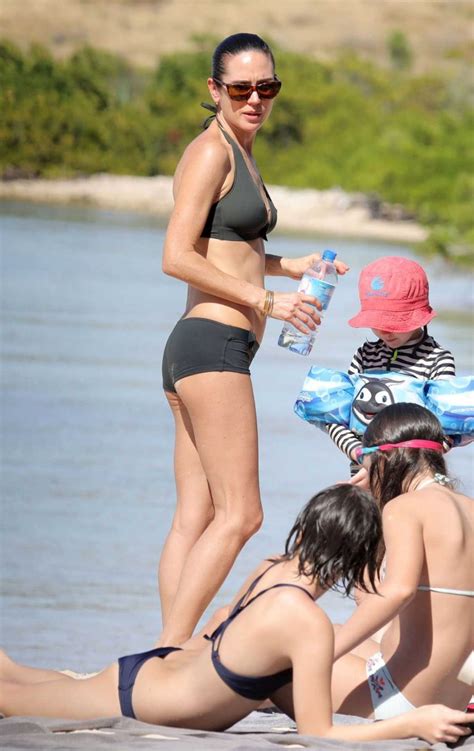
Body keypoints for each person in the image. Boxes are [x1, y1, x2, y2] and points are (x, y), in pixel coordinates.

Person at [0, 484, 471, 745]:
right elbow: (318, 733)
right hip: (143, 699)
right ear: (360, 556)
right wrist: (413, 723)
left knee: (15, 676)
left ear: (306, 529)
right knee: (10, 699)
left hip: (152, 675)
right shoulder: (303, 623)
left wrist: (348, 498)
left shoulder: (273, 569)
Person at [159, 32, 348, 646]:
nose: (255, 99)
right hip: (212, 346)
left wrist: (289, 267)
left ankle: (162, 649)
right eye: (241, 88)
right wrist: (269, 301)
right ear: (214, 90)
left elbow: (230, 250)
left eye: (267, 87)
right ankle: (171, 656)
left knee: (197, 514)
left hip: (202, 348)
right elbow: (176, 256)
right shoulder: (211, 153)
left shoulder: (241, 150)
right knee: (242, 515)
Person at [330, 403, 473, 723]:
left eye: (364, 464)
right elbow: (368, 596)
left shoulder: (406, 508)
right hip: (450, 698)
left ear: (384, 459)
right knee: (330, 630)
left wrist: (322, 656)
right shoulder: (468, 508)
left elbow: (395, 593)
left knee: (277, 660)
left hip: (399, 698)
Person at [326, 256, 455, 487]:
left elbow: (448, 431)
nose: (385, 330)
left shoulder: (437, 360)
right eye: (378, 321)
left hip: (415, 477)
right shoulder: (365, 355)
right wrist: (362, 456)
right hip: (364, 474)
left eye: (395, 321)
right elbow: (335, 417)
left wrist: (397, 464)